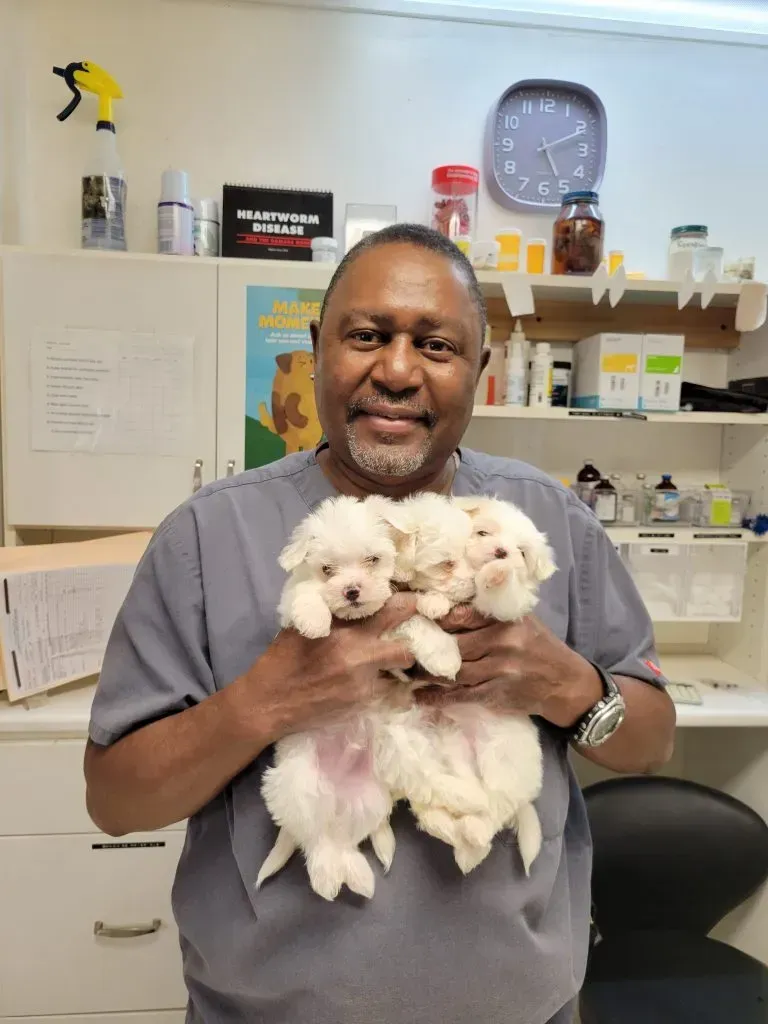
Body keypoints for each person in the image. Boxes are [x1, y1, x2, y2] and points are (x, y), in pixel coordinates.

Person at [85, 223, 675, 1024]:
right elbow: (115, 800)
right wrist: (269, 699)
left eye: (436, 346)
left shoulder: (545, 525)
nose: (396, 371)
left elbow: (651, 741)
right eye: (367, 336)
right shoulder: (206, 537)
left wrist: (563, 681)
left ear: (480, 370)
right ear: (318, 348)